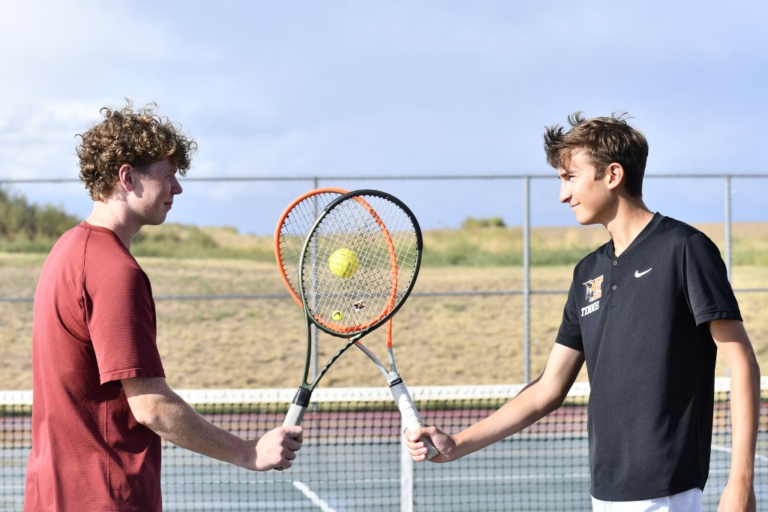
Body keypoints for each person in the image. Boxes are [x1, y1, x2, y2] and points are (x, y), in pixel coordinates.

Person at [407, 112, 760, 511]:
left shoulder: (685, 248)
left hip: (666, 493)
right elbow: (547, 389)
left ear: (612, 175)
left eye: (570, 177)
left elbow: (741, 361)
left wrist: (740, 483)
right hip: (604, 493)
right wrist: (457, 443)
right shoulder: (586, 273)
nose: (563, 194)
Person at [24, 101, 303, 511]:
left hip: (53, 496)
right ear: (127, 177)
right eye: (168, 176)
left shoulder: (66, 250)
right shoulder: (115, 271)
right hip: (105, 498)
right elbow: (150, 406)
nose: (177, 189)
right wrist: (249, 452)